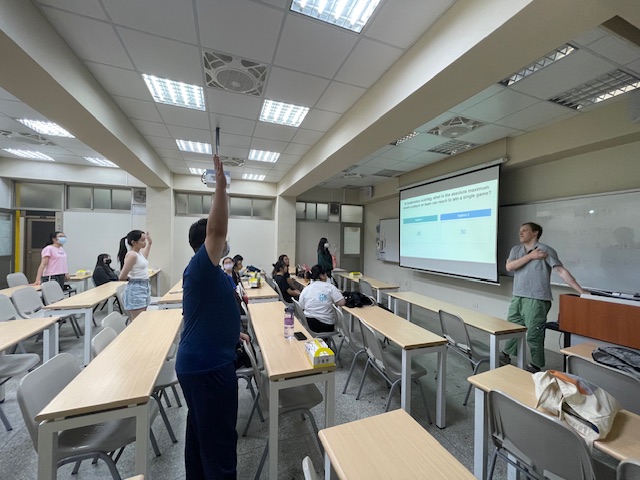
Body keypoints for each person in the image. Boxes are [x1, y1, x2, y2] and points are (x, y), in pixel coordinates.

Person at [176, 154, 248, 480]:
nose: (224, 243)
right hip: (207, 368)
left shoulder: (214, 273)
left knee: (201, 434)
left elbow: (213, 313)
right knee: (219, 442)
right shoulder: (200, 268)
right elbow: (217, 230)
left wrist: (233, 334)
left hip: (207, 361)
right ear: (204, 244)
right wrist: (221, 187)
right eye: (217, 241)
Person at [503, 222, 587, 373]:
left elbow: (561, 271)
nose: (520, 233)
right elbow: (509, 267)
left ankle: (536, 365)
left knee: (534, 334)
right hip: (518, 296)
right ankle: (505, 355)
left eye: (524, 230)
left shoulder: (546, 250)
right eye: (520, 231)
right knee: (512, 329)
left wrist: (581, 291)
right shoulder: (516, 250)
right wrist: (531, 256)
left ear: (535, 233)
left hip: (537, 299)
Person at [298, 264, 345, 333]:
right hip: (326, 324)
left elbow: (301, 306)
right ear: (321, 275)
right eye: (325, 273)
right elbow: (342, 302)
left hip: (308, 323)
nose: (327, 276)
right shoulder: (330, 287)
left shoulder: (307, 288)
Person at [117, 230, 152, 321]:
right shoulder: (132, 255)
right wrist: (134, 278)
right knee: (138, 321)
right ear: (134, 242)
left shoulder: (139, 254)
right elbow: (121, 277)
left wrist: (149, 242)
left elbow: (146, 255)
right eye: (142, 240)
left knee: (143, 318)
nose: (144, 242)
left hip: (144, 286)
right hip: (136, 288)